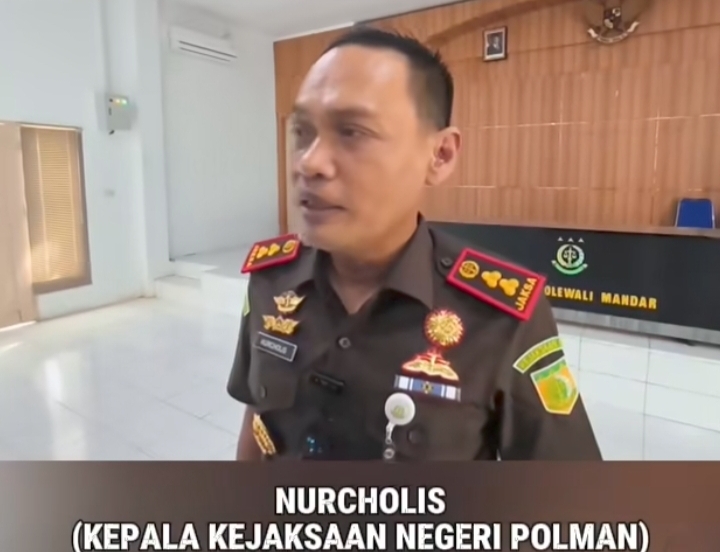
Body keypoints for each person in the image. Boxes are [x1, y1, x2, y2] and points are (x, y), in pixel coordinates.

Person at [227, 26, 601, 461]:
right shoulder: (271, 281)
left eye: (352, 132)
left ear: (440, 155)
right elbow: (257, 422)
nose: (309, 163)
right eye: (303, 132)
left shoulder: (500, 319)